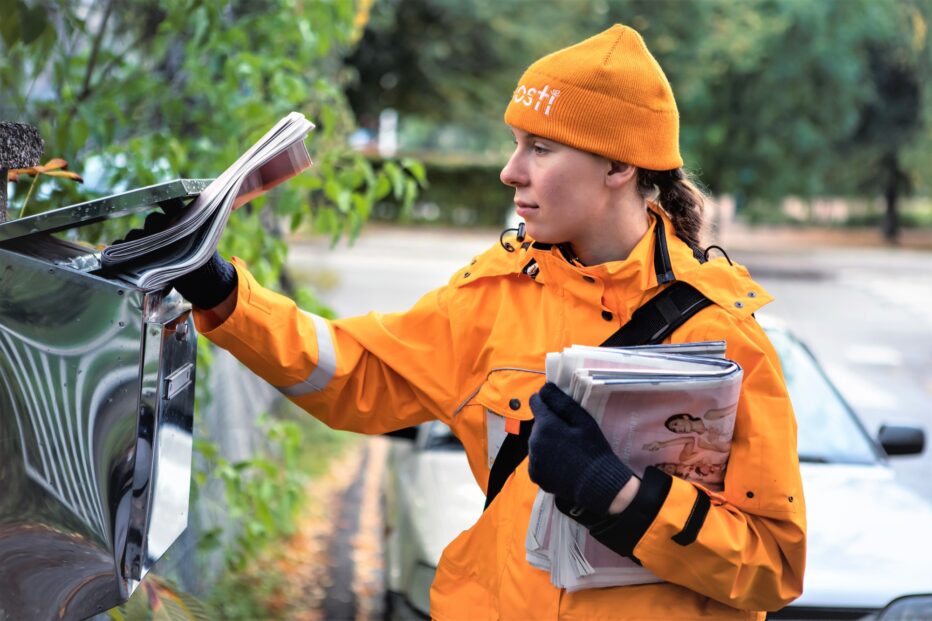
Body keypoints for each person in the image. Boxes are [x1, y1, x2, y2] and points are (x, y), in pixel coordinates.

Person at [162, 24, 806, 620]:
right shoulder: (494, 296)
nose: (510, 171)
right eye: (516, 144)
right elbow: (354, 373)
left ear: (619, 166)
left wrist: (615, 492)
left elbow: (772, 567)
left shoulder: (721, 336)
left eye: (540, 148)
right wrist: (221, 290)